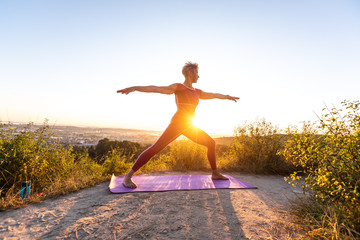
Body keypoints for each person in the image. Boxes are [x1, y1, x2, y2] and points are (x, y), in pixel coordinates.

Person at [117, 62, 239, 188]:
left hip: (189, 126)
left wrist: (228, 97)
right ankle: (128, 176)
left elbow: (213, 95)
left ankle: (215, 173)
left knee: (211, 143)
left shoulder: (197, 91)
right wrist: (135, 88)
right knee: (156, 148)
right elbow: (156, 88)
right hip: (177, 124)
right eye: (197, 73)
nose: (199, 76)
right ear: (190, 73)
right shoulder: (178, 87)